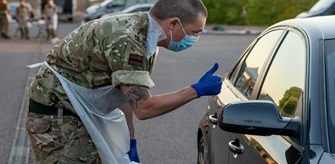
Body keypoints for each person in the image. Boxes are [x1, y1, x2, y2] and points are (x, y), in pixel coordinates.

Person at [26, 0, 220, 163]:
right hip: (56, 115)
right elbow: (144, 108)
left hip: (76, 111)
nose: (196, 38)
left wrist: (130, 142)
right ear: (174, 24)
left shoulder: (147, 35)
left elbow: (124, 95)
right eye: (195, 32)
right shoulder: (128, 40)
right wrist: (196, 90)